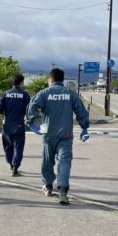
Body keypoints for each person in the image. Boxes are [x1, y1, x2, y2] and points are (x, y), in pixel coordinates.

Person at [27, 68, 90, 205]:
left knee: (47, 161)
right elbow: (81, 111)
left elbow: (32, 107)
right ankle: (62, 191)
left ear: (50, 79)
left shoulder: (44, 93)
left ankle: (48, 185)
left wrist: (32, 123)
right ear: (62, 79)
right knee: (64, 161)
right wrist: (84, 128)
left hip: (48, 134)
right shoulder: (71, 94)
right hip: (66, 134)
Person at [0, 73, 30, 176]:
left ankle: (11, 164)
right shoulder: (25, 95)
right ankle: (15, 167)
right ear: (21, 82)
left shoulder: (5, 94)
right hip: (19, 125)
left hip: (7, 125)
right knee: (18, 146)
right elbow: (29, 111)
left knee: (8, 146)